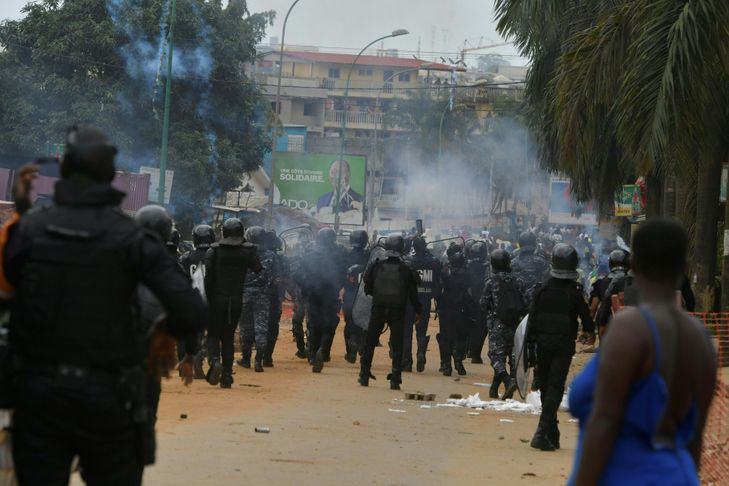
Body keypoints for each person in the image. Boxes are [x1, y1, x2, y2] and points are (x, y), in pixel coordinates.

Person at [3, 126, 206, 484]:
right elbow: (191, 309)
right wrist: (161, 334)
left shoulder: (30, 231)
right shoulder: (132, 238)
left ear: (65, 170)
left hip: (39, 395)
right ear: (110, 175)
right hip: (110, 396)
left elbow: (6, 290)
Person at [569, 220, 716, 485]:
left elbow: (604, 422)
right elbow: (695, 438)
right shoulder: (702, 340)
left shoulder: (629, 328)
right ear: (684, 268)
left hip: (625, 476)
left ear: (634, 265)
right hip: (678, 476)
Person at [528, 243, 595, 451]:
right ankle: (541, 432)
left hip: (543, 344)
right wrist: (589, 333)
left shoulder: (542, 289)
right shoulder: (575, 292)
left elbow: (531, 320)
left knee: (547, 386)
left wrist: (531, 347)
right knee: (555, 388)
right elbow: (586, 318)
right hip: (563, 346)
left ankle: (552, 432)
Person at [359, 235, 422, 390]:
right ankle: (395, 379)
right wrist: (419, 311)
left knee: (370, 342)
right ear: (402, 247)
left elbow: (367, 287)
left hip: (378, 308)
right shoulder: (407, 267)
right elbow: (413, 293)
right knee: (397, 344)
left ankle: (364, 375)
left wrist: (378, 296)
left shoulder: (376, 264)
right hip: (398, 311)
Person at [204, 218, 261, 387]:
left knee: (213, 335)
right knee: (228, 337)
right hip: (236, 299)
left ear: (224, 232)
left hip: (216, 299)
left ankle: (214, 362)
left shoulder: (214, 251)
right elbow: (258, 269)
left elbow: (208, 279)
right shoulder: (248, 251)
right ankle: (227, 376)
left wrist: (208, 300)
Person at [295, 228, 346, 373]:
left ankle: (312, 355)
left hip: (313, 293)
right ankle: (323, 352)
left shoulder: (310, 252)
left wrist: (306, 287)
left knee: (314, 324)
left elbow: (298, 274)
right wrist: (337, 286)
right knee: (330, 323)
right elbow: (344, 275)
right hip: (331, 294)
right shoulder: (339, 254)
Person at [480, 249, 527, 399]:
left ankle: (508, 381)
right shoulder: (518, 281)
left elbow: (483, 303)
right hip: (516, 326)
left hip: (497, 325)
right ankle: (497, 389)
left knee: (496, 358)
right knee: (513, 358)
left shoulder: (491, 282)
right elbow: (526, 303)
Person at [178, 224, 216, 378]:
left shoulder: (186, 257)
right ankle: (204, 356)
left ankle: (184, 363)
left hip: (191, 301)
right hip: (213, 301)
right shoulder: (216, 255)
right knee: (213, 334)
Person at [238, 226, 277, 373]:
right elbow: (276, 277)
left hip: (244, 294)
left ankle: (246, 359)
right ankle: (258, 361)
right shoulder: (271, 255)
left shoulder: (241, 252)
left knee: (245, 328)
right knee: (261, 328)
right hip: (263, 295)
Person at [403, 236, 441, 373]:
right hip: (424, 302)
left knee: (407, 332)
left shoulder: (408, 261)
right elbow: (438, 277)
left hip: (409, 303)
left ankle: (406, 362)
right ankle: (421, 353)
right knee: (421, 331)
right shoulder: (433, 262)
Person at [437, 244, 470, 376]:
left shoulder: (445, 272)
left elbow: (439, 289)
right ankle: (458, 361)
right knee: (461, 337)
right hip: (461, 310)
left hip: (446, 309)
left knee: (445, 338)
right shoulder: (467, 274)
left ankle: (446, 365)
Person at [342, 230, 369, 364]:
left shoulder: (345, 255)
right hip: (365, 297)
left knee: (349, 323)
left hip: (350, 295)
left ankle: (350, 352)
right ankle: (363, 348)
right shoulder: (369, 256)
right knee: (364, 324)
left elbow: (339, 275)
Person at [593, 249, 629, 336]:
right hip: (629, 323)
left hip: (606, 321)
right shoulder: (632, 281)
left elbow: (594, 307)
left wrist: (590, 328)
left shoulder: (601, 281)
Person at [465, 240, 490, 364]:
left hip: (468, 300)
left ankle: (466, 351)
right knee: (481, 327)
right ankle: (475, 354)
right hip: (482, 300)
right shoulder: (488, 267)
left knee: (468, 324)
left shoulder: (466, 265)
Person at [512, 231, 550, 302]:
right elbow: (548, 280)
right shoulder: (541, 261)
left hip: (518, 301)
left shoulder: (513, 262)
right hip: (537, 301)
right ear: (534, 243)